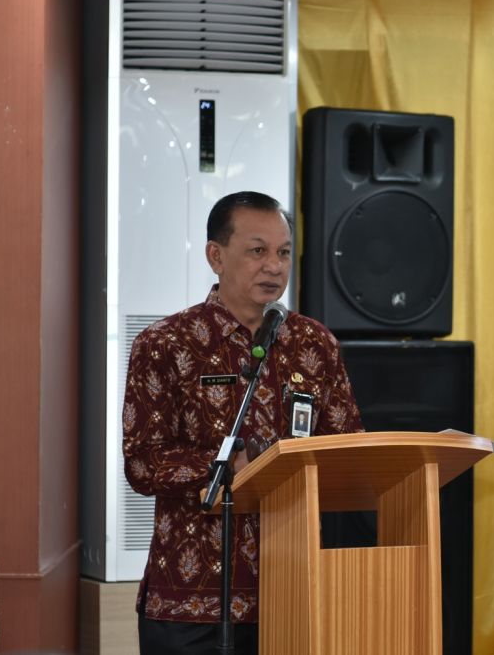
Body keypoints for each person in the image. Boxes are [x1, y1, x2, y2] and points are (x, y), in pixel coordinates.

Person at [123, 191, 364, 654]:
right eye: (258, 251)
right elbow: (142, 462)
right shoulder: (165, 343)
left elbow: (347, 445)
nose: (274, 266)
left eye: (283, 252)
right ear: (216, 256)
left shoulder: (316, 344)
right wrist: (226, 468)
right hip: (190, 600)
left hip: (292, 591)